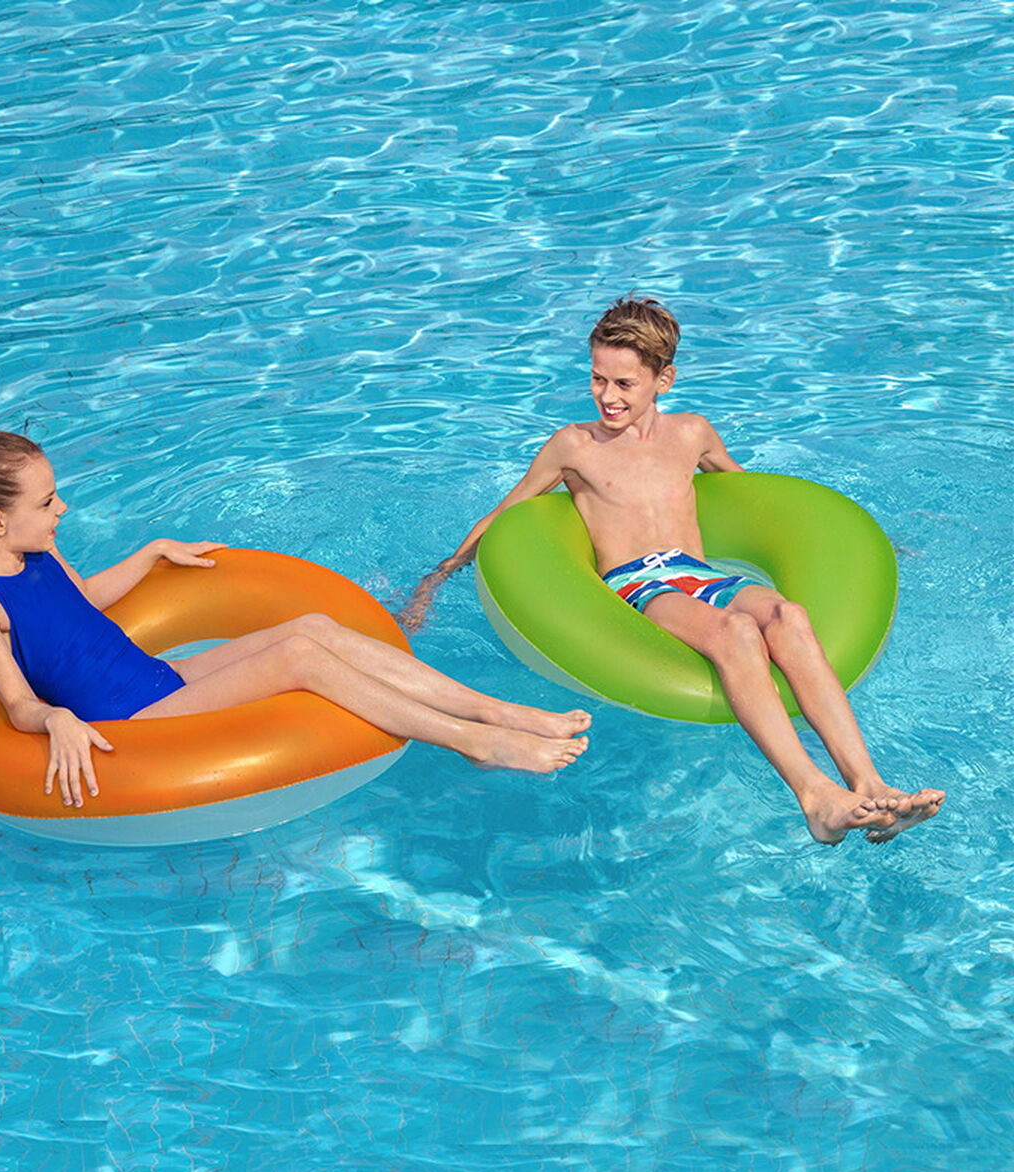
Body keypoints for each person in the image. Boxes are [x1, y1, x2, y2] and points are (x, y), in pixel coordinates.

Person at [399, 297, 943, 845]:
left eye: (624, 384)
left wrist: (857, 542)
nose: (607, 396)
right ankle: (815, 796)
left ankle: (868, 781)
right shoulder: (575, 446)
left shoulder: (691, 434)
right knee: (736, 632)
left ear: (664, 380)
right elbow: (505, 513)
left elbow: (758, 498)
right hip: (636, 581)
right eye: (597, 379)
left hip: (699, 574)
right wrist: (438, 577)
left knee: (789, 615)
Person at [0, 429, 590, 808]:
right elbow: (16, 703)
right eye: (47, 502)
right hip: (129, 719)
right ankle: (473, 741)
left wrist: (152, 551)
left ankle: (495, 711)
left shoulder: (40, 550)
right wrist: (56, 720)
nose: (61, 509)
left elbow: (85, 601)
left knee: (313, 628)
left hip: (157, 677)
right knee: (298, 660)